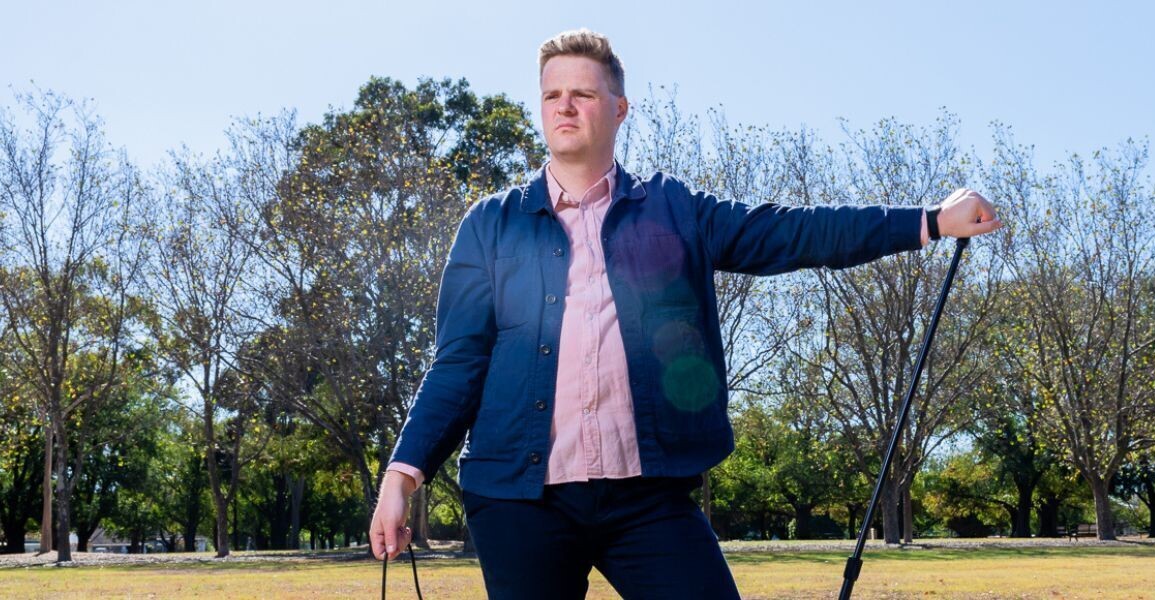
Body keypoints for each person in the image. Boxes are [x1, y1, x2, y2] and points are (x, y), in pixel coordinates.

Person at [370, 28, 1001, 599]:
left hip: (648, 497)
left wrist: (927, 222)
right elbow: (458, 363)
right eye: (552, 94)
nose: (565, 106)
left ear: (618, 109)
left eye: (583, 94)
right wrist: (404, 475)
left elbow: (791, 233)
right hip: (518, 498)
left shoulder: (675, 210)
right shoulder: (490, 225)